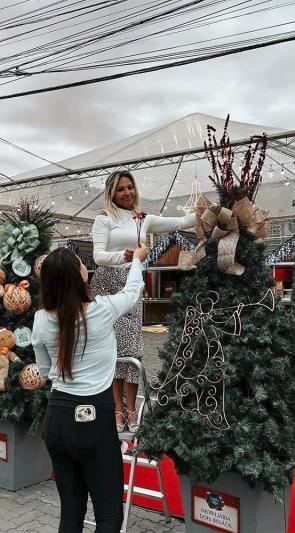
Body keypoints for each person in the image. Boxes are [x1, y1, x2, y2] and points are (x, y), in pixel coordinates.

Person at [32, 244, 149, 532]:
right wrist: (137, 260)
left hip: (57, 419)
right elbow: (133, 291)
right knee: (109, 516)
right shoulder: (102, 310)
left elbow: (46, 371)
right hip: (94, 421)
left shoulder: (41, 319)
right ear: (80, 276)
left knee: (71, 513)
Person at [91, 170, 194, 432]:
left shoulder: (143, 218)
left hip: (133, 282)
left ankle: (133, 410)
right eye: (120, 189)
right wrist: (125, 257)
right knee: (112, 348)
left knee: (133, 347)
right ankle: (116, 409)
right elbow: (98, 256)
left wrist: (209, 213)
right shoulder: (103, 219)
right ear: (111, 193)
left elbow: (180, 222)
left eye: (130, 187)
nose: (127, 193)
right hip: (107, 285)